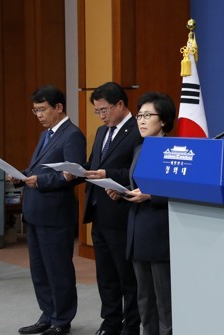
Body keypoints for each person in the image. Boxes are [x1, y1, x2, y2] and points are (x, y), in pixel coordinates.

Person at [9, 85, 86, 335]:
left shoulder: (72, 135)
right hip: (35, 211)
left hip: (55, 214)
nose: (39, 115)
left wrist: (40, 181)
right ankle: (47, 314)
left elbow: (74, 175)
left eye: (42, 109)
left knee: (58, 269)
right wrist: (23, 175)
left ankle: (62, 320)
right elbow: (41, 169)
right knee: (39, 270)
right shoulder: (46, 135)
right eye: (35, 110)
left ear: (59, 107)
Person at [107, 92, 176, 335]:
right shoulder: (139, 148)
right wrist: (122, 192)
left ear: (164, 120)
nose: (141, 120)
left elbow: (181, 192)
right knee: (144, 299)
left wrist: (150, 196)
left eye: (148, 115)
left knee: (164, 301)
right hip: (137, 232)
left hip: (160, 233)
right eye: (139, 116)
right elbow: (138, 183)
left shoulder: (175, 150)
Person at [81, 82, 143, 335]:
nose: (101, 115)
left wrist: (109, 174)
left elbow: (137, 171)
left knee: (126, 277)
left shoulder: (138, 131)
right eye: (97, 111)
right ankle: (110, 322)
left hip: (122, 214)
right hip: (99, 213)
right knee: (105, 275)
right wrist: (77, 171)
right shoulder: (101, 132)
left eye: (104, 110)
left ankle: (131, 325)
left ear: (120, 104)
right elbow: (94, 164)